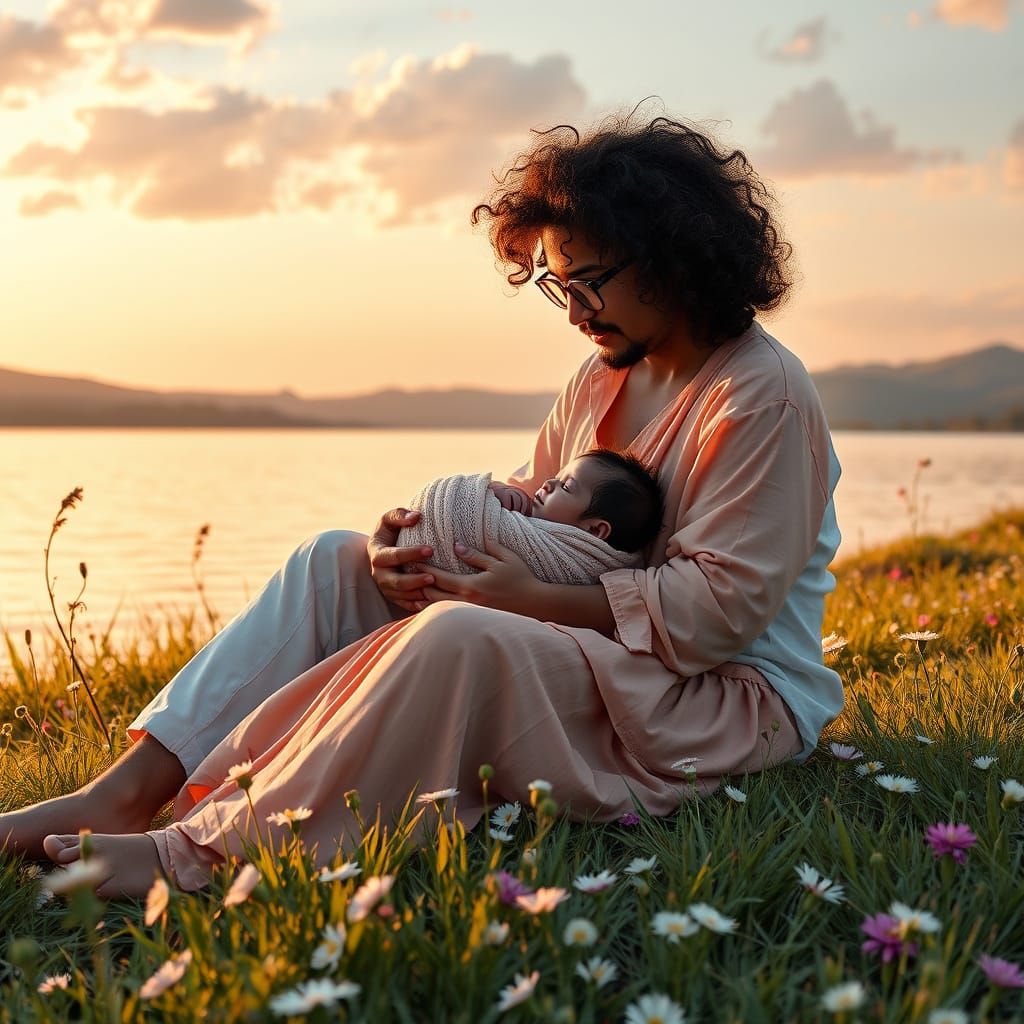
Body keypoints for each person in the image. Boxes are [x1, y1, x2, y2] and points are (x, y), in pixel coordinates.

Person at [1, 110, 844, 898]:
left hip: (717, 701)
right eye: (557, 286)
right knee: (332, 561)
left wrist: (533, 602)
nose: (576, 310)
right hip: (602, 651)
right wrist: (409, 548)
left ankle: (197, 854)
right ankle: (118, 794)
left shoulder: (760, 397)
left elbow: (719, 614)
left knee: (460, 634)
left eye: (588, 280)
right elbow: (535, 507)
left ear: (670, 256)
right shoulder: (604, 376)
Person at [398, 449, 665, 586]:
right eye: (557, 477)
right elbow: (498, 507)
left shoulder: (578, 566)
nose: (548, 483)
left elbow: (468, 513)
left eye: (567, 486)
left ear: (595, 531)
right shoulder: (528, 515)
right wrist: (497, 490)